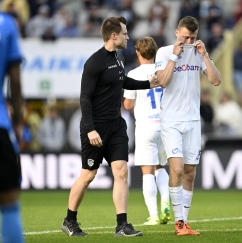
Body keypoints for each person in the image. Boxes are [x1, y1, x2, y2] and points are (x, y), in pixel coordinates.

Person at [60, 16, 158, 237]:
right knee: (88, 175)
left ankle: (122, 225)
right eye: (124, 33)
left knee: (121, 172)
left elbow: (123, 82)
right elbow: (84, 97)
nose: (128, 36)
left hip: (116, 126)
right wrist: (90, 128)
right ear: (113, 36)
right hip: (96, 127)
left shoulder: (120, 58)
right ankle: (69, 220)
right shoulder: (94, 62)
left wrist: (147, 84)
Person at [155, 16, 221, 236]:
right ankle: (179, 223)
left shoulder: (198, 51)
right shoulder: (164, 52)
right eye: (185, 37)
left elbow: (215, 80)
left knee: (190, 173)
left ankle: (185, 221)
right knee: (176, 168)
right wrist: (176, 55)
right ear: (176, 33)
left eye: (192, 37)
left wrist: (204, 55)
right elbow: (162, 82)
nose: (189, 41)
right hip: (171, 120)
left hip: (193, 120)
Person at [123, 37, 170, 226]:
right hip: (165, 125)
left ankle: (154, 215)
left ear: (138, 53)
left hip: (145, 126)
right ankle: (166, 202)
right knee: (161, 167)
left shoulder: (133, 73)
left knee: (147, 171)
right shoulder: (164, 72)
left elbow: (127, 104)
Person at [0, 11, 25, 243]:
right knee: (8, 201)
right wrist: (18, 122)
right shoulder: (6, 24)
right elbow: (15, 81)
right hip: (0, 125)